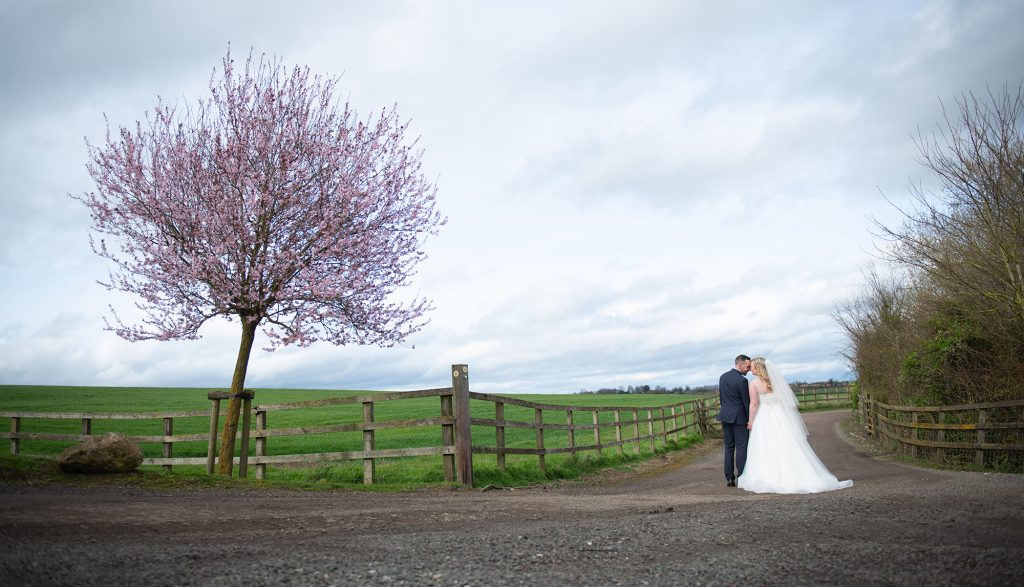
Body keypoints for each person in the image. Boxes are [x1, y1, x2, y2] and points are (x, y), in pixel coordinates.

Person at [737, 357, 853, 494]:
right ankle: (798, 474)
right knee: (787, 443)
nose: (751, 369)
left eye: (753, 367)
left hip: (764, 416)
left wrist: (750, 420)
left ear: (759, 368)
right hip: (780, 415)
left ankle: (769, 475)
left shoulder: (754, 383)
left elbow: (754, 404)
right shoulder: (775, 381)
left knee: (766, 444)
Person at [717, 354, 751, 487]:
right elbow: (746, 403)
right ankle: (741, 477)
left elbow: (722, 399)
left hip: (725, 416)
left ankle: (729, 479)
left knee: (729, 448)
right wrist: (750, 419)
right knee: (742, 448)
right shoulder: (742, 381)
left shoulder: (722, 377)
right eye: (747, 367)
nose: (748, 369)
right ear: (740, 364)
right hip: (739, 418)